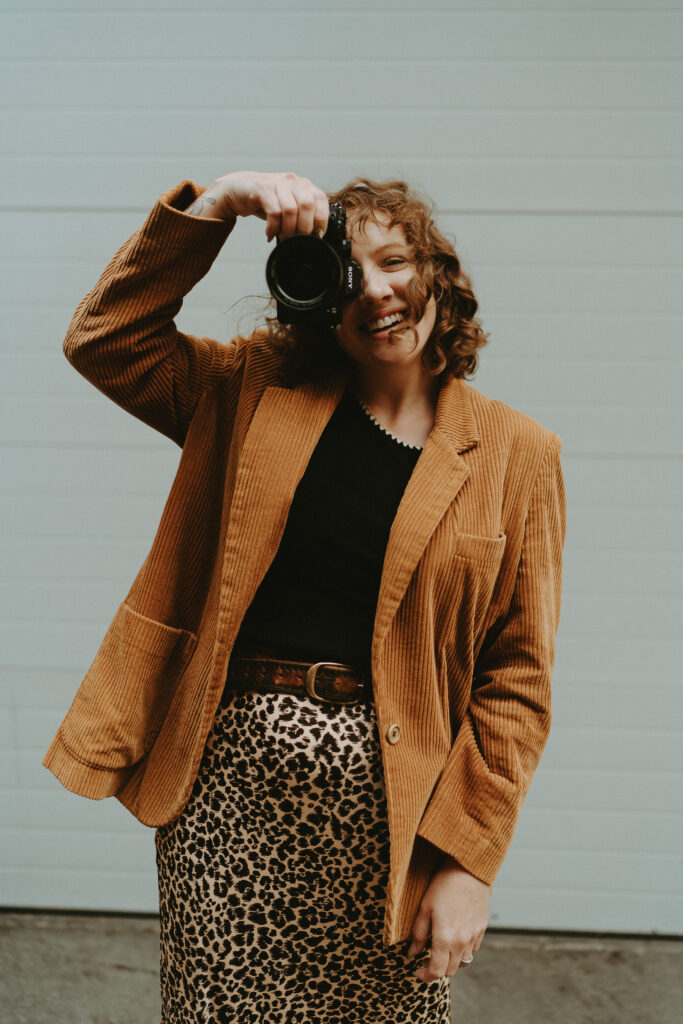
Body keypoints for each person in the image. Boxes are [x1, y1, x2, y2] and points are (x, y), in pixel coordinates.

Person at [43, 170, 567, 1023]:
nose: (379, 290)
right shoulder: (249, 391)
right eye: (348, 272)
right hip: (228, 798)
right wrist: (219, 205)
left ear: (435, 271)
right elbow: (105, 338)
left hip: (394, 818)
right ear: (318, 298)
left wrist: (467, 862)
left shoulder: (518, 455)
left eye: (394, 259)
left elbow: (517, 680)